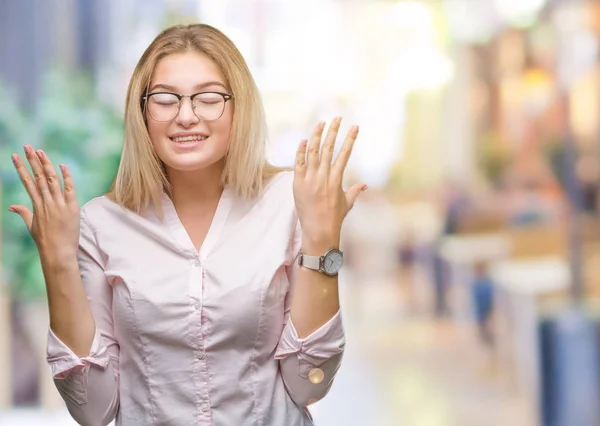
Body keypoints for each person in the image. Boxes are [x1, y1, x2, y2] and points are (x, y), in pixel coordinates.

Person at [9, 24, 366, 426]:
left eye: (209, 97)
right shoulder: (101, 224)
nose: (186, 116)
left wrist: (322, 240)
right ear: (142, 110)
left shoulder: (290, 203)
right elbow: (93, 409)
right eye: (165, 99)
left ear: (239, 106)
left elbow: (310, 384)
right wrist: (58, 262)